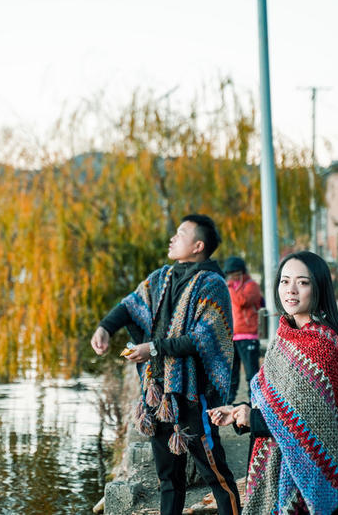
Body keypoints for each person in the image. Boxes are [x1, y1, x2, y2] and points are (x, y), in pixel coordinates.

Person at [90, 214, 241, 515]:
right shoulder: (163, 277)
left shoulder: (213, 285)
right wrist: (105, 327)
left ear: (198, 245)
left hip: (193, 395)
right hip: (158, 395)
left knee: (216, 474)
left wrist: (154, 348)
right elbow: (130, 305)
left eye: (181, 233)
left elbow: (201, 339)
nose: (173, 238)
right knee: (168, 478)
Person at [209, 251, 338, 515]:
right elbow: (279, 405)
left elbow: (312, 426)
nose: (291, 290)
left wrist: (253, 420)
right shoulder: (283, 337)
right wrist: (240, 412)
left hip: (317, 474)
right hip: (279, 463)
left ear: (318, 287)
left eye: (303, 282)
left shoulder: (322, 346)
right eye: (285, 282)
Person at [224, 256, 263, 400]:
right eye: (228, 274)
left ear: (240, 272)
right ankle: (228, 403)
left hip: (248, 336)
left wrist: (229, 287)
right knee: (232, 375)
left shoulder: (251, 285)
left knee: (251, 374)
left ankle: (256, 403)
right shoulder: (231, 286)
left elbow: (242, 301)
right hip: (232, 337)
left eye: (232, 273)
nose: (230, 277)